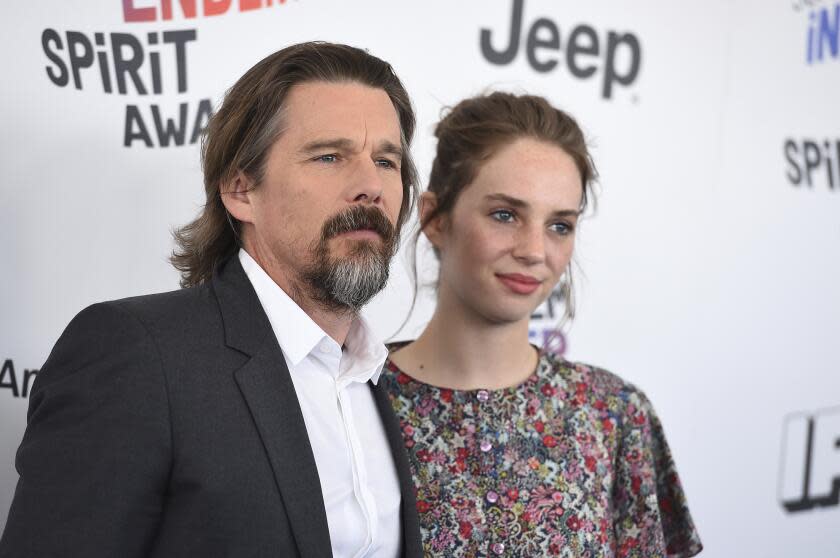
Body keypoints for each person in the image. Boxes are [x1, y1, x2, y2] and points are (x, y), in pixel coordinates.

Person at [0, 42, 422, 558]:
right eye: (329, 157)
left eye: (386, 160)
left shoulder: (384, 378)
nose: (370, 186)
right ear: (241, 190)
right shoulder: (137, 354)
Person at [382, 92, 703, 557]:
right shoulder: (352, 402)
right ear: (434, 218)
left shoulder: (613, 415)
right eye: (505, 214)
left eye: (559, 225)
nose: (534, 250)